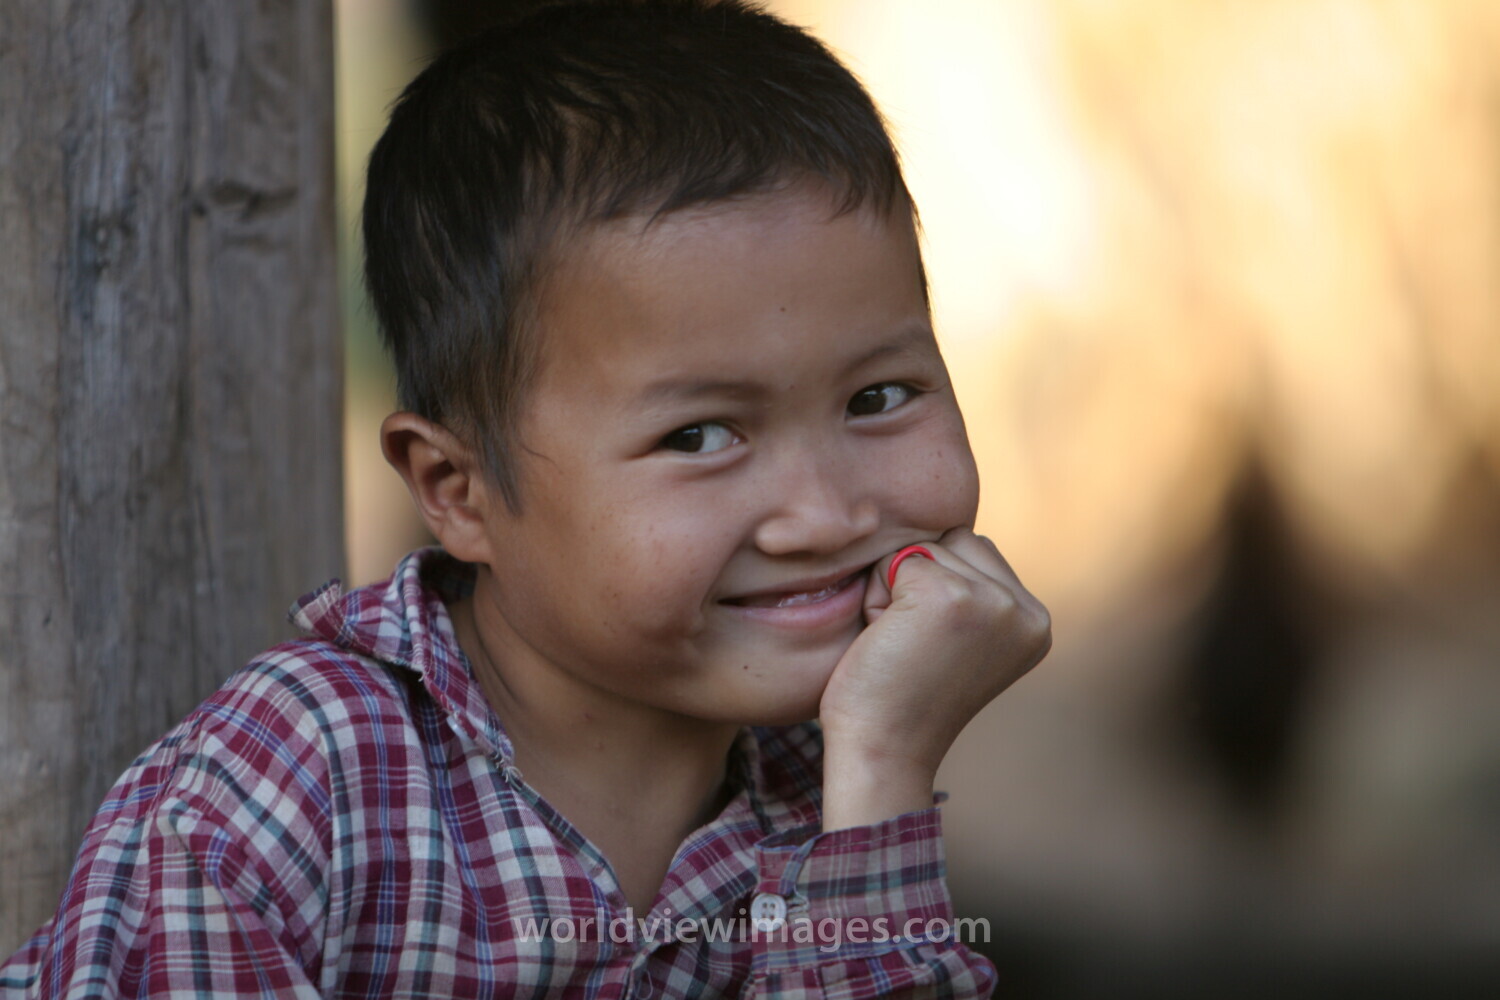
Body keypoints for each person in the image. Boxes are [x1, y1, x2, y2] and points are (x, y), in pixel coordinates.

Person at [0, 1, 1050, 996]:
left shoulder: (834, 777)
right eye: (698, 435)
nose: (825, 515)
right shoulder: (296, 788)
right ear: (458, 492)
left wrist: (877, 774)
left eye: (879, 397)